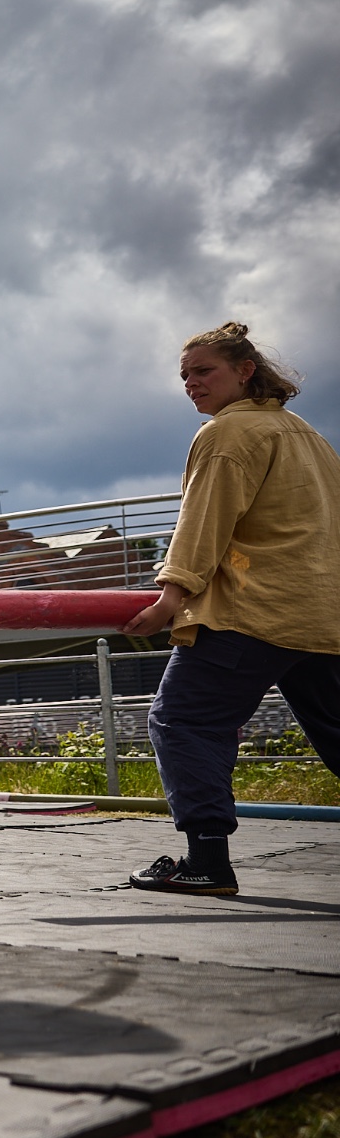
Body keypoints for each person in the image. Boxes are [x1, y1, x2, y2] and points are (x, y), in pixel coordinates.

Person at [121, 323, 340, 895]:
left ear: (245, 370)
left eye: (204, 370)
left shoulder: (227, 435)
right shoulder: (308, 436)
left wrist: (173, 593)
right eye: (185, 375)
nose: (191, 384)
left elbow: (204, 522)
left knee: (184, 720)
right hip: (320, 615)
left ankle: (207, 862)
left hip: (254, 612)